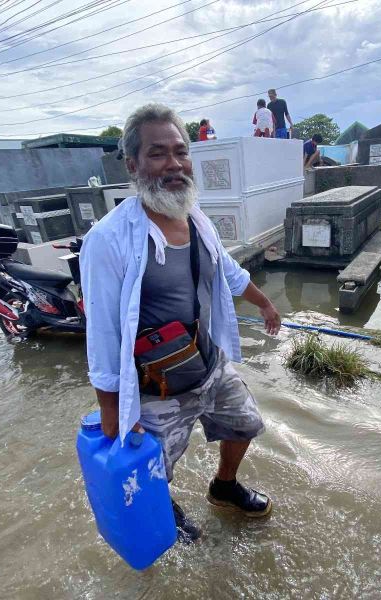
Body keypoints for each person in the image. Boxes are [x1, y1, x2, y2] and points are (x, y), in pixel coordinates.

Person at [81, 103, 281, 543]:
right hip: (157, 388)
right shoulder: (109, 239)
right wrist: (112, 413)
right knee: (152, 469)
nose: (174, 164)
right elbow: (101, 334)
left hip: (210, 366)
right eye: (158, 153)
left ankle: (223, 487)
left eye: (180, 151)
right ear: (132, 164)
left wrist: (263, 302)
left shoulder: (195, 217)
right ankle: (165, 513)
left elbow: (227, 268)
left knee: (245, 425)